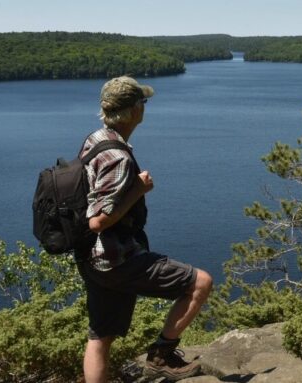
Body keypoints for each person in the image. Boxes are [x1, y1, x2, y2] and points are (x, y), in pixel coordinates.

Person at [77, 76, 213, 383]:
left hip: (91, 256)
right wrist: (138, 190)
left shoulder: (95, 139)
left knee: (100, 337)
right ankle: (161, 357)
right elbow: (98, 219)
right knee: (200, 283)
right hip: (116, 258)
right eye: (143, 102)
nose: (145, 107)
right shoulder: (119, 158)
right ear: (133, 109)